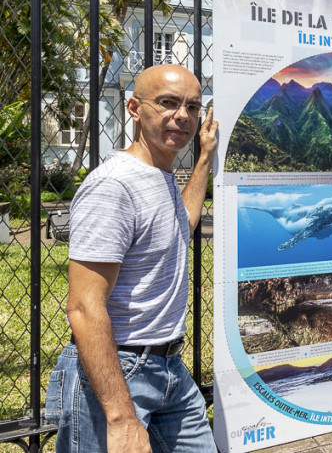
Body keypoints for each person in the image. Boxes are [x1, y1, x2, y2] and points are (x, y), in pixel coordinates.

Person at [45, 64, 218, 452]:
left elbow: (180, 225)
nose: (182, 116)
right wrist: (121, 417)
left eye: (192, 107)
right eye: (168, 103)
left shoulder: (159, 174)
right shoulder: (114, 186)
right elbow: (84, 307)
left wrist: (205, 158)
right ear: (134, 108)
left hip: (169, 366)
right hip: (119, 370)